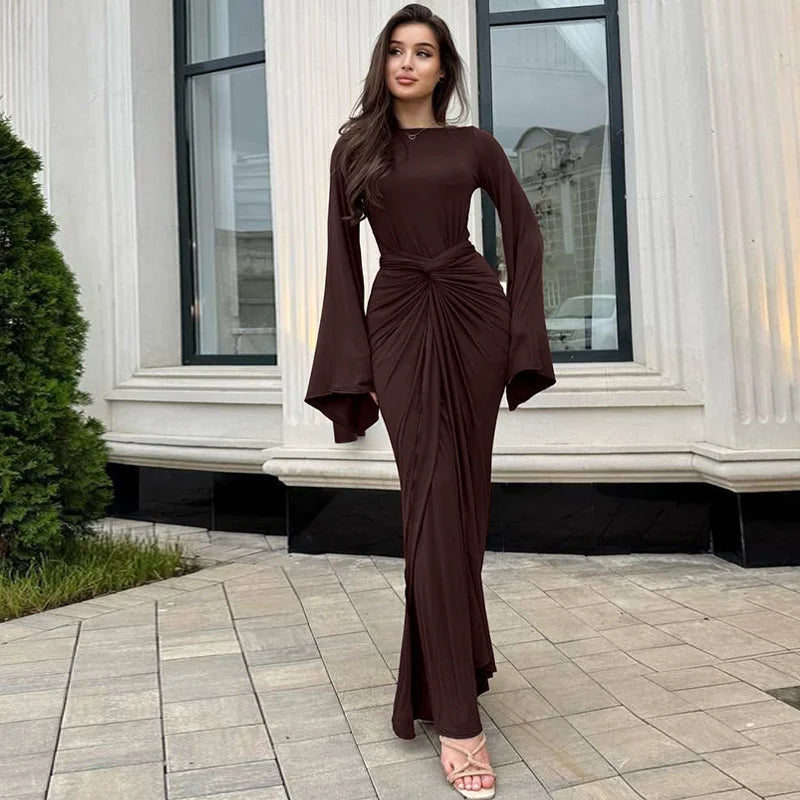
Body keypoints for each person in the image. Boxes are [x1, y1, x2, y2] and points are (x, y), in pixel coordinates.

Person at [304, 4, 556, 798]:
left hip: (474, 314)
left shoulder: (475, 145)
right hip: (400, 322)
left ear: (444, 68)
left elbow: (524, 230)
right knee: (431, 504)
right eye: (396, 52)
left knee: (464, 510)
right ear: (382, 64)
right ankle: (457, 717)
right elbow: (342, 262)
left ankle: (457, 665)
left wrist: (518, 331)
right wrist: (355, 360)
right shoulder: (356, 149)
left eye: (424, 52)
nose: (408, 64)